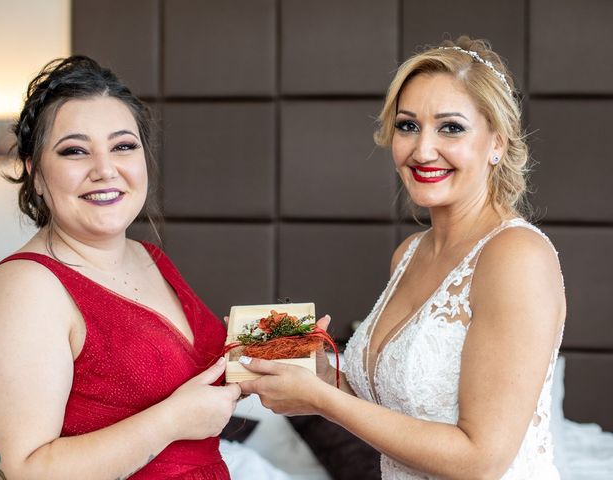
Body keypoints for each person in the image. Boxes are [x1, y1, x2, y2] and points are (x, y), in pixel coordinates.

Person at [238, 36, 566, 479]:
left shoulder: (515, 256)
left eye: (451, 128)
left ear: (497, 144)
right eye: (408, 126)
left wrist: (321, 401)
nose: (422, 150)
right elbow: (391, 405)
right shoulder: (409, 254)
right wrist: (318, 369)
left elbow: (481, 461)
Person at [0, 56, 241, 480]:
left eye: (123, 146)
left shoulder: (149, 257)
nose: (105, 170)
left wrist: (265, 352)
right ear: (34, 172)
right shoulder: (23, 288)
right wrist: (170, 421)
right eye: (75, 151)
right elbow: (14, 472)